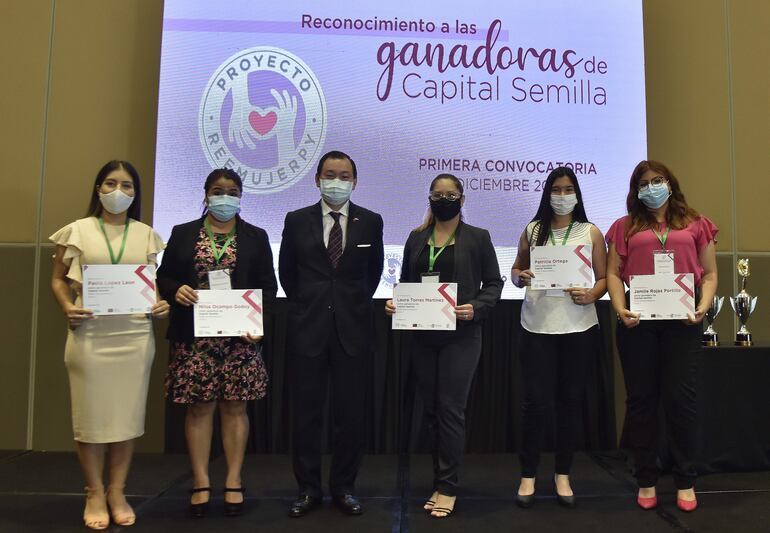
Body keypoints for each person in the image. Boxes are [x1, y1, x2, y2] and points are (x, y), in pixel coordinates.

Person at [50, 160, 169, 530]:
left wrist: (160, 305)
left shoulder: (146, 234)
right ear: (98, 189)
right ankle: (94, 491)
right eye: (111, 183)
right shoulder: (77, 231)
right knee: (91, 419)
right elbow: (57, 280)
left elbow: (152, 286)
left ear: (136, 193)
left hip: (134, 336)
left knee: (126, 417)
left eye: (127, 186)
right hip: (90, 335)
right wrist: (68, 306)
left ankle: (117, 490)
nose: (119, 192)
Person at [157, 168, 277, 518]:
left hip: (239, 339)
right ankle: (200, 481)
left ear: (241, 196)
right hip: (196, 340)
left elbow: (267, 289)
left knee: (235, 408)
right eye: (218, 190)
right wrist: (173, 288)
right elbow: (164, 276)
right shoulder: (182, 234)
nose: (225, 197)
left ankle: (234, 480)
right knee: (199, 409)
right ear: (206, 193)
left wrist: (259, 325)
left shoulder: (256, 236)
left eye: (232, 191)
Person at [385, 173, 503, 518]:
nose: (444, 198)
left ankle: (448, 487)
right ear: (430, 198)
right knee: (434, 412)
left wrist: (476, 308)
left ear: (462, 200)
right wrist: (396, 302)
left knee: (451, 410)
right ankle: (439, 480)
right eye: (438, 194)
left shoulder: (478, 238)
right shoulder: (416, 237)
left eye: (450, 194)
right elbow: (406, 283)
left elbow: (494, 284)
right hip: (423, 335)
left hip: (461, 336)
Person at [606, 160, 717, 512]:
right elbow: (612, 274)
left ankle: (686, 479)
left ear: (670, 183)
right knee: (641, 403)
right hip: (638, 324)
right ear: (635, 190)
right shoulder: (624, 226)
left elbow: (710, 274)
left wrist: (704, 306)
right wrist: (620, 310)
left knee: (681, 402)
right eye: (643, 183)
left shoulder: (696, 223)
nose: (651, 187)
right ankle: (646, 478)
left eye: (657, 181)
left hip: (683, 323)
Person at [279, 150, 384, 517]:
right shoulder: (296, 220)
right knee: (306, 416)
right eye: (329, 174)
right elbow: (287, 275)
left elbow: (372, 275)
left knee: (350, 416)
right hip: (308, 330)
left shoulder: (371, 221)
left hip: (352, 332)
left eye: (344, 175)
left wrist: (346, 305)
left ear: (354, 182)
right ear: (317, 178)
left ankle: (344, 487)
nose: (336, 181)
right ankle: (308, 489)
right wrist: (313, 305)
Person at [510, 167, 607, 508]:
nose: (562, 195)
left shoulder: (590, 231)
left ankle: (563, 474)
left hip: (578, 326)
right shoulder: (533, 229)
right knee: (535, 403)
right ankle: (528, 474)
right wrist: (521, 277)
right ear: (547, 192)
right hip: (537, 326)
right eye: (557, 189)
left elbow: (604, 278)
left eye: (568, 189)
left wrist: (592, 295)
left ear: (577, 193)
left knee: (570, 402)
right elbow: (515, 272)